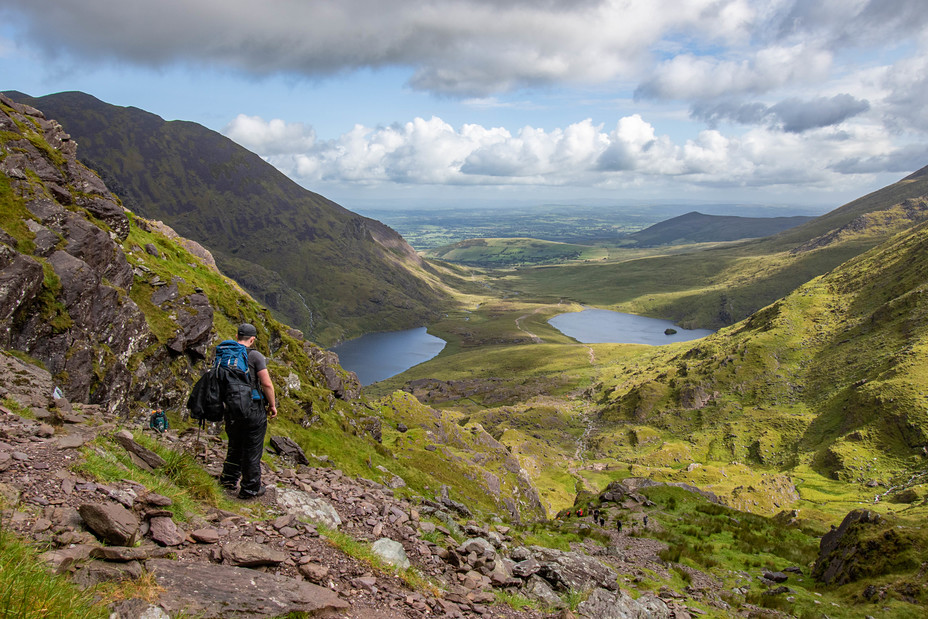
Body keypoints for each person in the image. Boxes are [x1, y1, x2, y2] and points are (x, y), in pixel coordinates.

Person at [219, 323, 278, 499]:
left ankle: (228, 479)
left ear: (237, 335)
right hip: (253, 408)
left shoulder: (225, 353)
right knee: (252, 448)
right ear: (252, 339)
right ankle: (250, 488)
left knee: (235, 444)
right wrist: (272, 405)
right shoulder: (255, 356)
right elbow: (266, 383)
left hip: (231, 409)